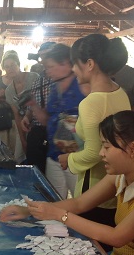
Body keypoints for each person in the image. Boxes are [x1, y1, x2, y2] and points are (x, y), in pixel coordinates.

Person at [0, 110, 134, 255]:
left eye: (107, 147)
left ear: (133, 149)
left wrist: (59, 215)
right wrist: (29, 210)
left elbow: (117, 237)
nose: (101, 154)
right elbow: (80, 203)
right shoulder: (121, 175)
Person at [60, 34, 131, 226]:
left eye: (75, 63)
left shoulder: (91, 103)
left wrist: (69, 159)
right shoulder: (120, 92)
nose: (73, 69)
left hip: (95, 190)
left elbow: (94, 152)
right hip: (118, 184)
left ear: (90, 64)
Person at [28, 43, 89, 198]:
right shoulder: (55, 88)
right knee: (54, 199)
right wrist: (33, 106)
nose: (47, 72)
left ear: (66, 64)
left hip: (77, 156)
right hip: (54, 154)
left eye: (50, 67)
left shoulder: (84, 86)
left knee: (80, 200)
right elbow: (47, 121)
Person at [22, 42, 57, 173]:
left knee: (54, 180)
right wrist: (26, 116)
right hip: (37, 132)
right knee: (35, 172)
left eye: (47, 56)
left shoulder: (63, 80)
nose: (44, 61)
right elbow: (33, 104)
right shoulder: (38, 79)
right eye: (42, 57)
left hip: (56, 135)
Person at [0, 50, 39, 160]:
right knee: (19, 156)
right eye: (7, 67)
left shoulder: (34, 78)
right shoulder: (9, 90)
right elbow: (17, 115)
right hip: (23, 124)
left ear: (19, 65)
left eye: (13, 65)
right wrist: (22, 140)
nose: (10, 69)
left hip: (40, 123)